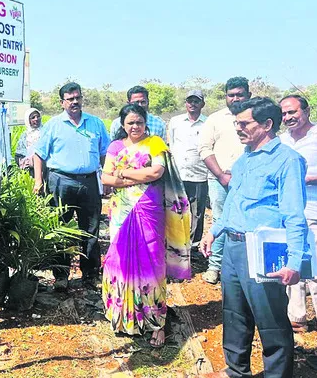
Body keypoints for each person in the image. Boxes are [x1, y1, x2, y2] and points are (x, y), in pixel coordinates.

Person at [200, 97, 308, 378]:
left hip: (264, 250)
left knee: (270, 319)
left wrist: (294, 261)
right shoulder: (243, 159)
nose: (238, 128)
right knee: (234, 315)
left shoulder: (288, 161)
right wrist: (214, 231)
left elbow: (295, 214)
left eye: (244, 123)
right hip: (234, 249)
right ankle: (236, 371)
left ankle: (277, 374)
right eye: (236, 123)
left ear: (267, 124)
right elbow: (233, 202)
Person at [102, 104, 191, 347]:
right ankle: (124, 318)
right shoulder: (116, 146)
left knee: (152, 261)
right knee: (120, 261)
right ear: (123, 125)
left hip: (150, 209)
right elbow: (105, 177)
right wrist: (135, 174)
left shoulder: (155, 144)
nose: (135, 127)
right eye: (130, 123)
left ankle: (156, 322)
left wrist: (123, 174)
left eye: (139, 122)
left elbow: (156, 173)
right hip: (121, 212)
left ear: (146, 123)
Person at [33, 82, 110, 290]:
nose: (75, 102)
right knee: (61, 229)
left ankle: (90, 274)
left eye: (78, 97)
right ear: (62, 102)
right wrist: (38, 180)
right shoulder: (53, 125)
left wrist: (108, 179)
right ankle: (61, 276)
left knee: (91, 229)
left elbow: (105, 154)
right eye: (70, 98)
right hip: (60, 181)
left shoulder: (95, 123)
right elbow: (39, 154)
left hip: (89, 181)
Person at [198, 77, 250, 284]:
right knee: (220, 220)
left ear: (248, 95)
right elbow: (204, 148)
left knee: (245, 221)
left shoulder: (255, 117)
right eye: (231, 95)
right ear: (225, 97)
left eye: (240, 94)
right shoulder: (215, 119)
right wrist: (221, 175)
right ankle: (215, 266)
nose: (235, 98)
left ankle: (243, 267)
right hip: (219, 179)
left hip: (248, 180)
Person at [279, 95, 317, 333]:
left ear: (307, 110)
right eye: (284, 114)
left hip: (315, 211)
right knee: (292, 264)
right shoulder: (282, 141)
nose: (288, 118)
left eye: (292, 112)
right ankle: (297, 317)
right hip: (288, 213)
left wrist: (305, 178)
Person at [168, 90, 208, 245]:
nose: (192, 104)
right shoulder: (175, 122)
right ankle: (176, 242)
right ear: (185, 103)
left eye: (196, 101)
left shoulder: (208, 123)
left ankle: (195, 244)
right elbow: (171, 144)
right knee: (176, 209)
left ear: (202, 104)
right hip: (178, 174)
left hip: (200, 174)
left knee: (197, 212)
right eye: (189, 101)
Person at [15, 108, 43, 176]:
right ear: (28, 120)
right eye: (33, 117)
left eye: (38, 116)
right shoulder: (25, 135)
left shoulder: (46, 132)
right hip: (30, 170)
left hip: (45, 169)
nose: (36, 119)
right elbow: (19, 154)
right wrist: (28, 162)